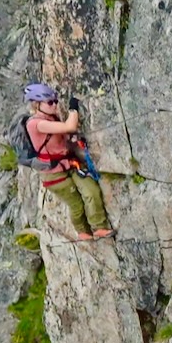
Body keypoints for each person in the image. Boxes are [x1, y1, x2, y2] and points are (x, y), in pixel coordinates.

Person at [24, 83, 114, 241]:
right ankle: (83, 232)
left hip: (69, 163)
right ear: (37, 105)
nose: (55, 105)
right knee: (76, 204)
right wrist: (73, 106)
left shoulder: (51, 118)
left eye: (55, 101)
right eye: (50, 102)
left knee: (91, 190)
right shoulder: (35, 123)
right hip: (52, 174)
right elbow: (69, 126)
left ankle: (99, 227)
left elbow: (61, 138)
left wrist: (73, 141)